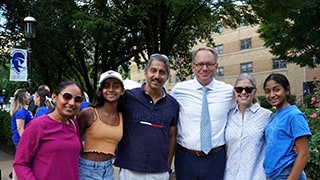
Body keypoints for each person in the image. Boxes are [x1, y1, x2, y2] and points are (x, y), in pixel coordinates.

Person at [171, 47, 236, 180]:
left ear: (216, 66)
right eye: (200, 64)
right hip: (185, 158)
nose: (205, 68)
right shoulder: (179, 90)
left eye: (209, 64)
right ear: (193, 67)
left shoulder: (228, 92)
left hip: (216, 158)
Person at [114, 54, 179, 179]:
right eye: (153, 70)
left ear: (167, 77)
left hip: (159, 171)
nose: (157, 76)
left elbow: (172, 136)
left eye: (162, 72)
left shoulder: (173, 104)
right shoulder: (128, 97)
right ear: (145, 73)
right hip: (130, 169)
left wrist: (167, 166)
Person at [13, 80, 84, 180]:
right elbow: (20, 163)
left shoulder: (74, 125)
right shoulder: (38, 125)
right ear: (54, 97)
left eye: (78, 99)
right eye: (67, 97)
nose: (72, 103)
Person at [263, 73, 311, 180]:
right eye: (267, 91)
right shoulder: (275, 116)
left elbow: (304, 154)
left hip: (287, 174)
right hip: (273, 174)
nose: (272, 95)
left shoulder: (294, 115)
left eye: (276, 89)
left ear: (287, 90)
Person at [78, 70, 125, 180]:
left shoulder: (123, 117)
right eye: (106, 86)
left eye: (116, 86)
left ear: (122, 91)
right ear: (101, 90)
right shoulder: (88, 113)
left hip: (108, 170)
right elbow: (74, 140)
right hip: (86, 169)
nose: (111, 90)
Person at [224, 73, 272, 180]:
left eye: (248, 89)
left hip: (255, 176)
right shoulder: (228, 116)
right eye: (239, 89)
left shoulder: (266, 116)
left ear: (254, 91)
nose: (243, 92)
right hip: (229, 176)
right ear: (235, 92)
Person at [10, 88, 33, 180]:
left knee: (18, 160)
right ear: (23, 98)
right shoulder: (21, 112)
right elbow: (20, 128)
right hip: (20, 140)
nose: (29, 97)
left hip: (19, 140)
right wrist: (26, 142)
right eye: (27, 95)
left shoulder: (21, 110)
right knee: (20, 161)